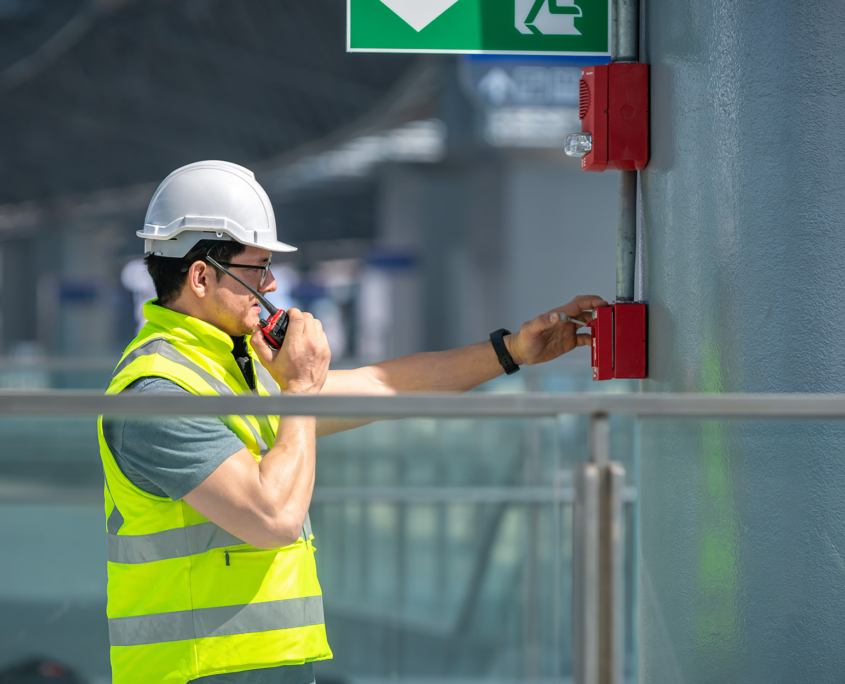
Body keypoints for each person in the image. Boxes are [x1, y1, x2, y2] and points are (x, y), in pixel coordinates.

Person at [99, 161, 607, 684]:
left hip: (256, 668)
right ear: (201, 276)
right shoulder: (159, 394)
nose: (271, 284)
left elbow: (383, 385)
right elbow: (272, 518)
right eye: (257, 268)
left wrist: (511, 351)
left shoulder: (230, 368)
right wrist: (299, 388)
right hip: (197, 672)